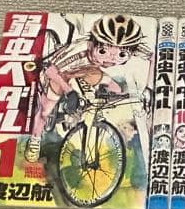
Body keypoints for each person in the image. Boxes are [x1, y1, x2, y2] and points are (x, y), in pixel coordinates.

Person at [26, 15, 147, 163]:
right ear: (91, 45)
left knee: (117, 89)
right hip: (60, 73)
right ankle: (35, 140)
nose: (110, 59)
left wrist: (144, 92)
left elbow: (152, 57)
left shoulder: (129, 46)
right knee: (45, 110)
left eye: (121, 55)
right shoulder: (78, 54)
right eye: (103, 52)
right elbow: (50, 71)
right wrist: (69, 91)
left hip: (88, 69)